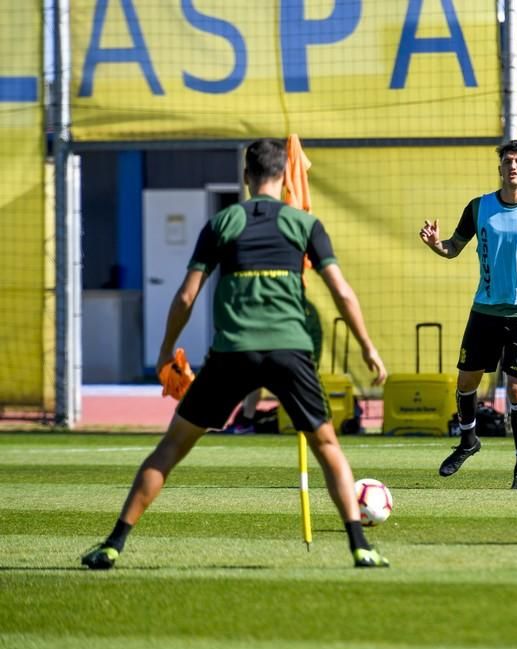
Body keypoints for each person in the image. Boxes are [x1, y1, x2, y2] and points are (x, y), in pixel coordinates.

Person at [82, 139, 390, 569]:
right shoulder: (305, 223)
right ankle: (360, 546)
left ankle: (114, 543)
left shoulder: (222, 222)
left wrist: (166, 350)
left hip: (232, 352)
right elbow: (342, 292)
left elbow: (186, 297)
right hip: (289, 350)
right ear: (285, 180)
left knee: (171, 447)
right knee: (327, 446)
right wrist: (368, 346)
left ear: (246, 177)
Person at [419, 139, 517, 489]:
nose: (513, 166)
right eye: (508, 161)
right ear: (500, 169)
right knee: (466, 381)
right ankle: (468, 441)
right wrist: (435, 244)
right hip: (486, 308)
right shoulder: (479, 207)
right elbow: (453, 248)